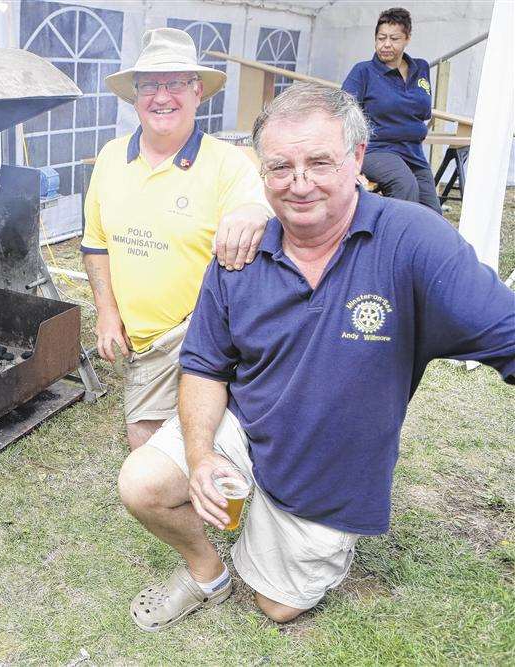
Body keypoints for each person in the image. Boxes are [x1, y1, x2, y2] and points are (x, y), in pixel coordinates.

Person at [117, 82, 514, 631]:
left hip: (329, 473)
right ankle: (208, 571)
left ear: (356, 157)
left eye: (319, 162)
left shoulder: (413, 241)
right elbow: (205, 365)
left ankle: (297, 530)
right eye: (280, 167)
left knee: (275, 607)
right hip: (248, 427)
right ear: (263, 170)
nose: (299, 184)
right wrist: (204, 454)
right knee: (142, 483)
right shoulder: (241, 251)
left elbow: (506, 330)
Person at [82, 28, 270, 450]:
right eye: (150, 84)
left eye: (175, 83)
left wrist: (254, 213)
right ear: (134, 95)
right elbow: (96, 246)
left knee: (214, 448)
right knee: (146, 453)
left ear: (198, 91)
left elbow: (256, 207)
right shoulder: (111, 157)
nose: (161, 96)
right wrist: (107, 313)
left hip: (205, 334)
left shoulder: (227, 163)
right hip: (146, 345)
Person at [342, 7, 442, 214]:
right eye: (381, 38)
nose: (386, 44)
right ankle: (394, 242)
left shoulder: (421, 68)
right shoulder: (363, 71)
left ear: (407, 39)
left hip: (413, 152)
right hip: (376, 149)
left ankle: (422, 245)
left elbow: (424, 110)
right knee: (405, 186)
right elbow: (343, 110)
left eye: (394, 39)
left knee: (433, 213)